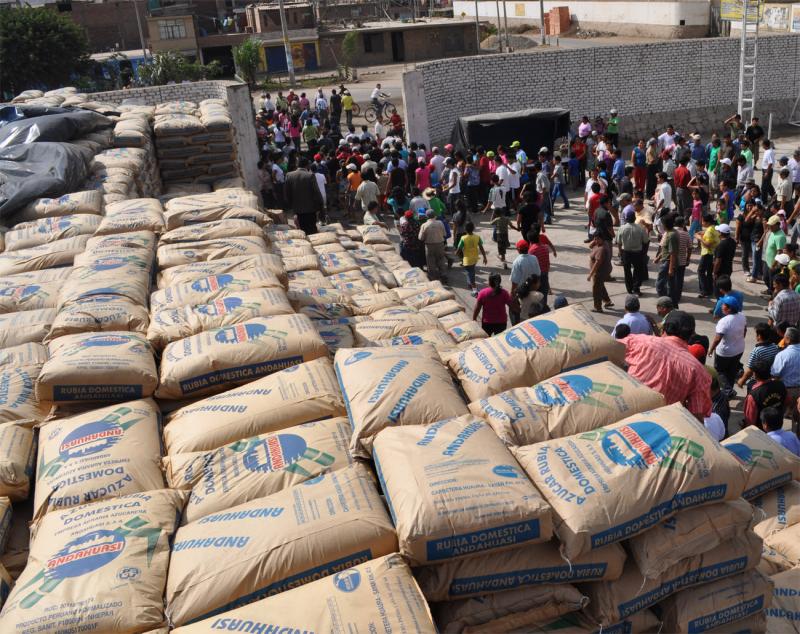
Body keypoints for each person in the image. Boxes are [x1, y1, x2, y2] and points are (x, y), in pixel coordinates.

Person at [621, 310, 712, 420]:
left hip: (623, 410)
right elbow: (696, 416)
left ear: (664, 328)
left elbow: (610, 349)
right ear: (691, 334)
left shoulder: (639, 341)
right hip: (657, 426)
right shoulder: (699, 372)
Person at [708, 296, 746, 396]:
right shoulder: (742, 316)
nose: (721, 306)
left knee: (720, 371)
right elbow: (745, 330)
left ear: (729, 308)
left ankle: (728, 391)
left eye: (723, 305)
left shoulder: (724, 321)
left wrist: (711, 349)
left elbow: (717, 339)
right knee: (731, 370)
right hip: (739, 349)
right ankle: (729, 389)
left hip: (725, 352)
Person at [284, 157, 324, 235]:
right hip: (310, 209)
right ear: (308, 165)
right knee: (312, 230)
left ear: (297, 164)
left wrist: (291, 205)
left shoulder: (289, 175)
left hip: (297, 209)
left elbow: (287, 192)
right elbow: (317, 193)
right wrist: (321, 206)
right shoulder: (310, 176)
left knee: (301, 231)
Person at [771, 326, 800, 432]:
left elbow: (775, 374)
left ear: (787, 339)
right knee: (797, 418)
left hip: (787, 391)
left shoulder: (782, 355)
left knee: (780, 414)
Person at [743, 362, 787, 428]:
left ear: (755, 374)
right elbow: (787, 402)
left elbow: (750, 419)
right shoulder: (780, 385)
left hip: (760, 430)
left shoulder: (754, 395)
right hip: (777, 424)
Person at [616, 208, 649, 295]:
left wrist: (620, 253)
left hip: (625, 252)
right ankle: (636, 288)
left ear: (626, 219)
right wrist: (644, 252)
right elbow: (646, 241)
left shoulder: (621, 228)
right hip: (637, 253)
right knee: (638, 271)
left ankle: (629, 289)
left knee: (627, 271)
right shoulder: (641, 228)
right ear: (634, 218)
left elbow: (618, 242)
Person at [509, 239, 542, 325]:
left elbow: (514, 282)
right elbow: (538, 274)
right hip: (534, 290)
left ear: (518, 250)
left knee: (516, 313)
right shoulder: (534, 258)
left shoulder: (517, 261)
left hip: (522, 292)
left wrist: (512, 295)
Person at [457, 221, 487, 297]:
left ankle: (475, 291)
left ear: (465, 229)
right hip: (475, 258)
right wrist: (484, 257)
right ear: (473, 229)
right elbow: (481, 248)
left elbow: (459, 249)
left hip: (467, 259)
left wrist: (456, 254)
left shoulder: (463, 238)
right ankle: (470, 283)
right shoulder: (477, 237)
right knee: (470, 271)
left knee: (471, 274)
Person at [528, 224, 556, 304]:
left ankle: (538, 307)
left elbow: (531, 262)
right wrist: (554, 251)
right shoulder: (544, 246)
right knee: (544, 287)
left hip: (537, 273)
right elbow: (550, 244)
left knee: (536, 292)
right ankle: (544, 305)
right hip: (545, 269)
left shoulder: (532, 249)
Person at [419, 209, 448, 283]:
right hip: (440, 244)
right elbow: (444, 234)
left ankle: (433, 278)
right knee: (441, 259)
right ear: (434, 215)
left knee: (430, 261)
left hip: (429, 246)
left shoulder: (424, 225)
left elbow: (420, 238)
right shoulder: (440, 223)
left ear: (426, 216)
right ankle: (443, 275)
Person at [655, 214, 679, 306]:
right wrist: (658, 257)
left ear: (665, 225)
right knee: (671, 286)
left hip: (668, 263)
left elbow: (673, 253)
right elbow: (667, 249)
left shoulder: (671, 235)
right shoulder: (671, 233)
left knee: (659, 285)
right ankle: (673, 304)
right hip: (667, 261)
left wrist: (670, 268)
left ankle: (665, 303)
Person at [587, 233, 612, 313]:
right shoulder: (601, 243)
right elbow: (590, 246)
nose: (596, 241)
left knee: (596, 290)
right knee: (600, 285)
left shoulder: (601, 249)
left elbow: (597, 263)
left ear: (602, 239)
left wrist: (590, 274)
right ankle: (607, 301)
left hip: (599, 272)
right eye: (595, 239)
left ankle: (598, 307)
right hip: (603, 271)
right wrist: (594, 241)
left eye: (597, 239)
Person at [763, 215, 788, 295]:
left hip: (773, 265)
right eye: (769, 225)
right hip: (767, 261)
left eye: (771, 225)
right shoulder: (773, 232)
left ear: (777, 224)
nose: (769, 227)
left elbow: (779, 253)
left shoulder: (780, 236)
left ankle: (772, 295)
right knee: (766, 278)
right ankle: (770, 291)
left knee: (772, 282)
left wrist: (773, 266)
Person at [697, 215, 720, 298]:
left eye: (703, 221)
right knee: (709, 272)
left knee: (701, 271)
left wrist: (700, 238)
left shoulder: (710, 230)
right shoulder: (714, 228)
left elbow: (708, 244)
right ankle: (710, 289)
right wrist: (703, 233)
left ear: (708, 222)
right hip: (713, 253)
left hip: (707, 253)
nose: (702, 223)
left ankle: (704, 291)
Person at [713, 224, 736, 293]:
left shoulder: (721, 245)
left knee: (719, 292)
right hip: (728, 268)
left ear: (720, 233)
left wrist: (715, 272)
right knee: (726, 290)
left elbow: (718, 261)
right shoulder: (732, 242)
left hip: (721, 271)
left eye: (718, 231)